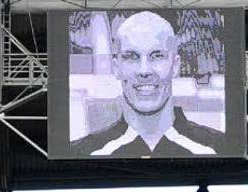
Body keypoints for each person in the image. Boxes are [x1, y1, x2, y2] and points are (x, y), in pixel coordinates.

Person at [70, 11, 224, 158]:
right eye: (132, 57)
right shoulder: (82, 152)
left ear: (175, 66)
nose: (144, 71)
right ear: (117, 68)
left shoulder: (217, 148)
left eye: (157, 56)